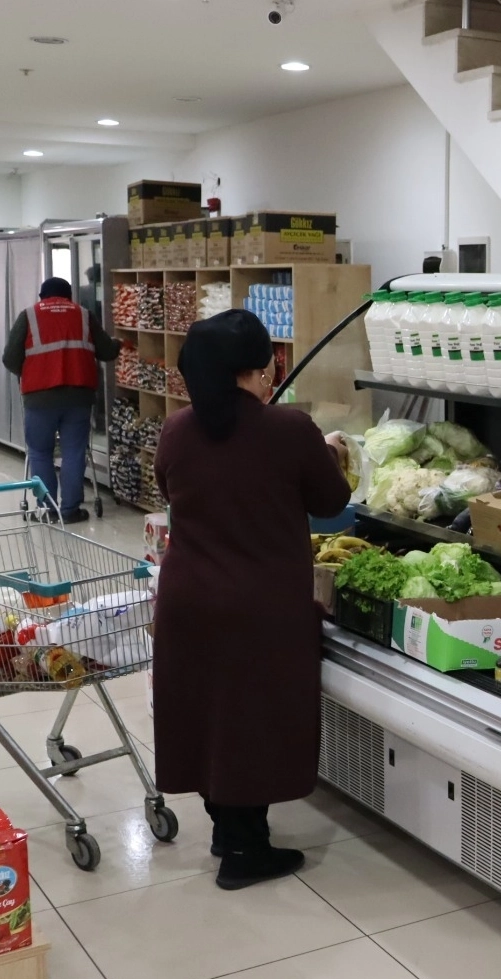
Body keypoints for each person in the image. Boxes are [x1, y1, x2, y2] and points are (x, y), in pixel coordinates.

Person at [152, 309, 350, 891]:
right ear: (255, 371)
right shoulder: (289, 428)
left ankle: (227, 829)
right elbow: (331, 500)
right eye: (268, 368)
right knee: (252, 721)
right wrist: (330, 451)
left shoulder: (176, 429)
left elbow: (173, 487)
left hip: (189, 599)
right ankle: (245, 851)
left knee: (207, 715)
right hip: (259, 606)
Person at [2, 277, 120, 523]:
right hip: (78, 396)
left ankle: (47, 510)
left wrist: (31, 371)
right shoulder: (84, 315)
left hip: (39, 398)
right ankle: (70, 511)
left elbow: (10, 358)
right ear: (69, 296)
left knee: (40, 452)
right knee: (74, 452)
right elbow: (107, 352)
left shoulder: (29, 315)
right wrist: (118, 343)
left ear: (42, 296)